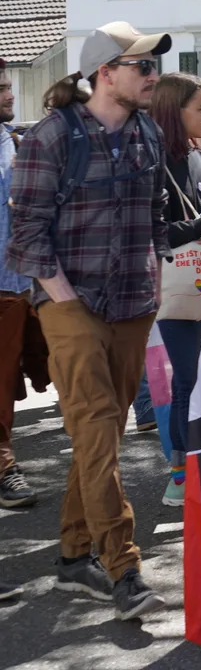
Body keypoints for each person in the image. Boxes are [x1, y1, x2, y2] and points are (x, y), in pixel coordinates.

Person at [5, 21, 173, 619]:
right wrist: (64, 299)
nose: (153, 76)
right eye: (142, 67)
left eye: (153, 67)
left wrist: (166, 257)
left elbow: (154, 216)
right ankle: (122, 567)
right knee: (99, 430)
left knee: (99, 438)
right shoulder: (52, 136)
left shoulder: (146, 132)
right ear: (106, 73)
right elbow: (23, 237)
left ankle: (75, 557)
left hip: (133, 305)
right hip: (70, 304)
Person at [151, 73, 201, 507]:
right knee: (189, 379)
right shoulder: (152, 159)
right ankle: (181, 472)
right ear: (176, 112)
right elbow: (149, 231)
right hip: (169, 291)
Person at [0, 58, 37, 511]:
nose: (11, 94)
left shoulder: (14, 142)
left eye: (9, 85)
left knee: (5, 383)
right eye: (2, 88)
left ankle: (4, 462)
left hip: (15, 286)